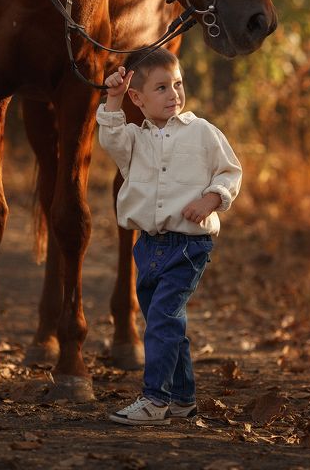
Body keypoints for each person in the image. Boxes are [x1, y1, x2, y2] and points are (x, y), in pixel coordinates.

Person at [96, 47, 242, 425]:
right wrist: (112, 97)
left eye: (177, 84)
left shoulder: (202, 132)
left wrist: (211, 199)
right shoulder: (132, 140)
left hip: (189, 245)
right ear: (137, 98)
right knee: (165, 324)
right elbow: (109, 136)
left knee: (163, 318)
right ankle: (183, 399)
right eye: (161, 88)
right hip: (147, 246)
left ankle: (155, 400)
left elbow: (230, 172)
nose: (174, 94)